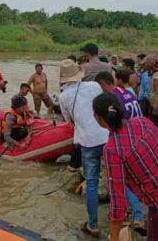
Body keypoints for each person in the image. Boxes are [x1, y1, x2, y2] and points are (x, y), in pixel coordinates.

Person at [92, 92, 158, 241]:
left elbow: (118, 201)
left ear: (100, 119)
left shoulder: (112, 149)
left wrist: (114, 237)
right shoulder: (143, 122)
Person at [58, 59, 109, 237]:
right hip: (106, 136)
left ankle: (93, 224)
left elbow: (68, 122)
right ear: (78, 73)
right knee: (116, 176)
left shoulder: (64, 97)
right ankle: (126, 215)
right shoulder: (94, 85)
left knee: (92, 183)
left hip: (87, 143)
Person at [94, 72, 145, 234]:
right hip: (139, 135)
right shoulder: (127, 92)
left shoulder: (112, 100)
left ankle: (135, 216)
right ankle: (134, 213)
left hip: (127, 142)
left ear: (103, 84)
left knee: (122, 180)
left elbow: (116, 124)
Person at [145, 54, 158, 126]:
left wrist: (155, 108)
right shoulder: (154, 74)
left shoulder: (156, 76)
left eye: (147, 63)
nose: (145, 65)